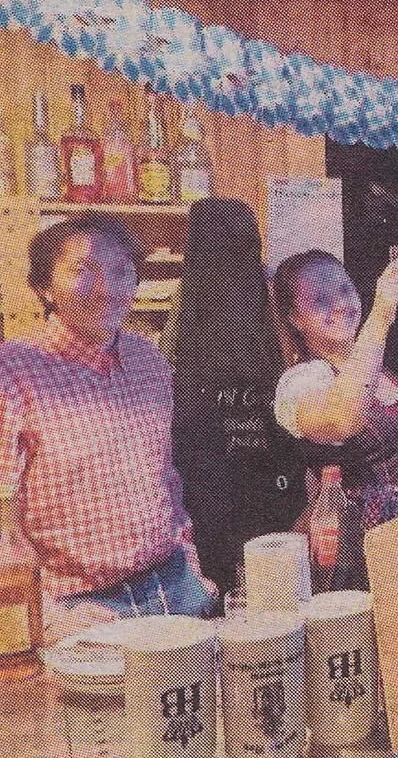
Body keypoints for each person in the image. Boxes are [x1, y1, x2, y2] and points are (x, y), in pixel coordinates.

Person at [0, 213, 215, 642]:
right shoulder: (14, 370)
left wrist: (191, 567)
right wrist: (41, 615)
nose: (106, 288)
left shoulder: (148, 359)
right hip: (80, 609)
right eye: (83, 270)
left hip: (176, 589)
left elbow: (165, 478)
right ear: (45, 287)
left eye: (120, 270)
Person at [171, 198, 309, 597]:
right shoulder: (262, 291)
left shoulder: (190, 296)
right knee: (279, 584)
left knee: (225, 586)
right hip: (270, 465)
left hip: (207, 471)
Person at [272, 249, 398, 590]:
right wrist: (381, 316)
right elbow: (342, 419)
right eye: (320, 300)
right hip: (354, 550)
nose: (340, 305)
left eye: (344, 290)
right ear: (295, 318)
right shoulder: (301, 382)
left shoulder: (381, 370)